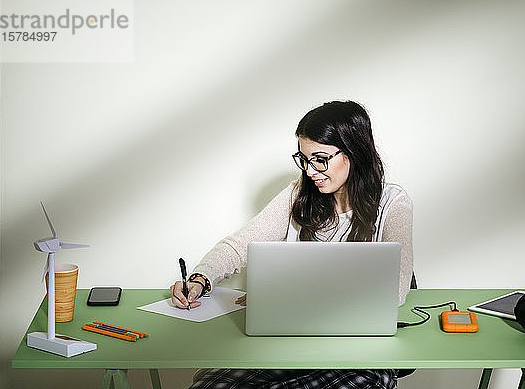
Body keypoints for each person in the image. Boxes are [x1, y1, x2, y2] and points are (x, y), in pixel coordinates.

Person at [170, 100, 413, 389]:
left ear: (354, 152)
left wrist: (284, 292)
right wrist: (200, 277)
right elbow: (239, 245)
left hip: (361, 353)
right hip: (289, 344)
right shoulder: (298, 194)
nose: (310, 171)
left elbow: (395, 290)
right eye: (304, 159)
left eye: (320, 159)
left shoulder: (392, 204)